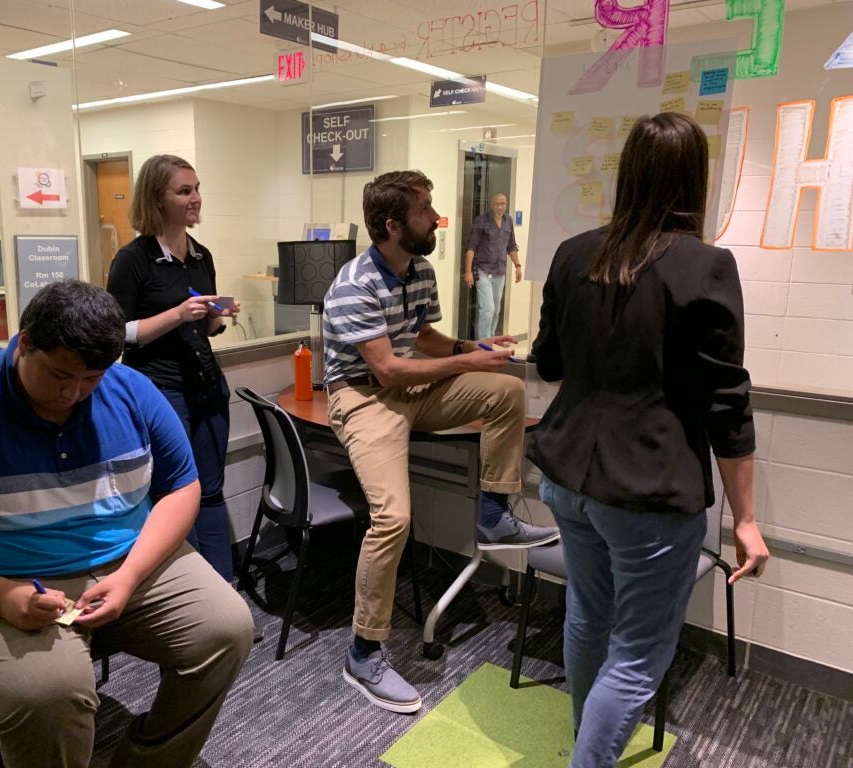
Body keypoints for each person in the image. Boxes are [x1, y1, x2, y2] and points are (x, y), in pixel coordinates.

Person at [0, 281, 253, 768]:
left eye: (91, 378)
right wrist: (0, 597)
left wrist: (128, 577)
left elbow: (182, 486)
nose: (72, 393)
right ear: (24, 343)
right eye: (58, 374)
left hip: (121, 560)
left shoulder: (130, 390)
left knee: (227, 630)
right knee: (48, 694)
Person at [528, 113, 770, 767]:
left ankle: (587, 749)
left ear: (628, 173)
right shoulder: (706, 266)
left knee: (587, 617)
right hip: (647, 496)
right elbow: (728, 405)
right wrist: (745, 517)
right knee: (636, 656)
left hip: (568, 481)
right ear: (696, 178)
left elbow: (547, 363)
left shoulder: (575, 254)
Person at [322, 169, 559, 714]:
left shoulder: (420, 270)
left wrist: (473, 347)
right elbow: (384, 371)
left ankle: (494, 513)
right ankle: (362, 651)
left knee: (504, 389)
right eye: (425, 210)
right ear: (391, 225)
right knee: (394, 519)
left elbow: (423, 337)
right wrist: (465, 359)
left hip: (411, 387)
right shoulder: (355, 284)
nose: (436, 218)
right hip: (363, 396)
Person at [107, 154, 240, 582]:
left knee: (212, 491)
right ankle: (194, 595)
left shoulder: (201, 256)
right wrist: (178, 314)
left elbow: (209, 328)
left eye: (197, 188)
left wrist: (218, 314)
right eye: (184, 191)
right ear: (157, 199)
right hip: (160, 390)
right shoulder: (134, 259)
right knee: (179, 494)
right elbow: (118, 333)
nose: (196, 198)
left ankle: (225, 595)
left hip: (206, 386)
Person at [463, 193, 521, 340]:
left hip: (500, 271)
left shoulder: (508, 221)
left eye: (503, 204)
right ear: (491, 204)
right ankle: (484, 342)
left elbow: (511, 246)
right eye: (497, 204)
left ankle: (492, 337)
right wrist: (468, 271)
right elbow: (471, 247)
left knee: (496, 310)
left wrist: (517, 266)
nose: (500, 207)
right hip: (482, 270)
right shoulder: (481, 221)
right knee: (488, 309)